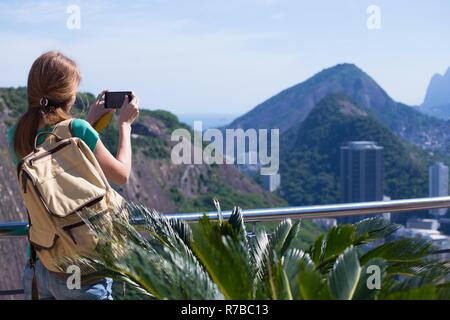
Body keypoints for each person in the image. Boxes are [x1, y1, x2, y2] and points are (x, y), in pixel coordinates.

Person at [7, 51, 140, 299]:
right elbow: (121, 175)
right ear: (68, 93)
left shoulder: (15, 134)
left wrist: (88, 121)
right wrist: (125, 125)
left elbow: (50, 154)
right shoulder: (78, 130)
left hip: (40, 264)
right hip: (82, 269)